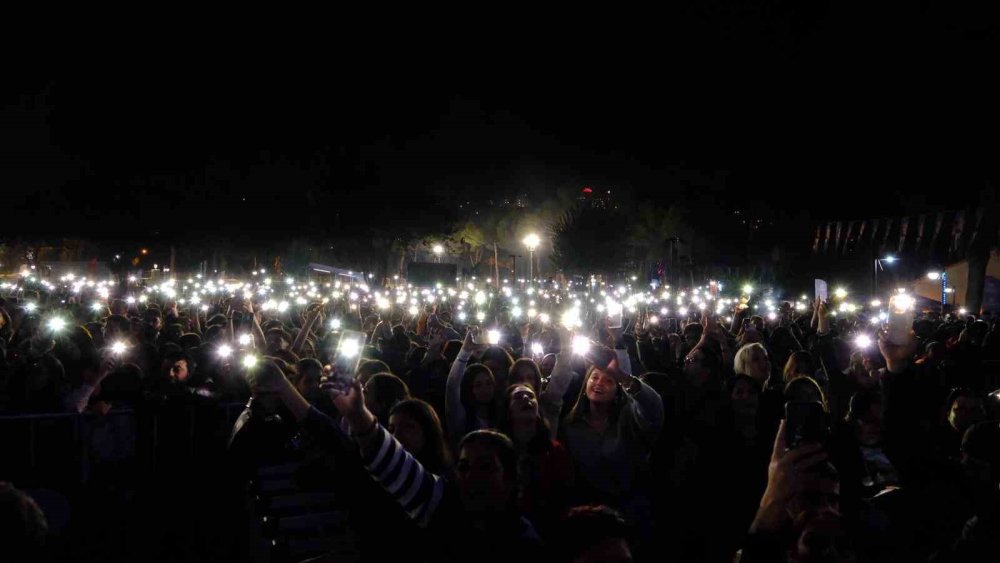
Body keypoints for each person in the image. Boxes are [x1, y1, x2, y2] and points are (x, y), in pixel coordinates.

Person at [559, 339, 664, 522]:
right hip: (588, 511)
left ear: (617, 391)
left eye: (609, 380)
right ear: (585, 386)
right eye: (595, 377)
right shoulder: (571, 426)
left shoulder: (629, 418)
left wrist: (620, 375)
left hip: (630, 509)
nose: (599, 383)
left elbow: (654, 409)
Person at [497, 383, 573, 530]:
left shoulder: (555, 451)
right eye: (518, 397)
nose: (526, 398)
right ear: (508, 410)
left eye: (531, 396)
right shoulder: (498, 451)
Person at [446, 330, 498, 440]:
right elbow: (452, 386)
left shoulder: (501, 413)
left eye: (488, 383)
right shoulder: (462, 417)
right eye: (478, 385)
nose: (485, 389)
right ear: (468, 388)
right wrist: (465, 351)